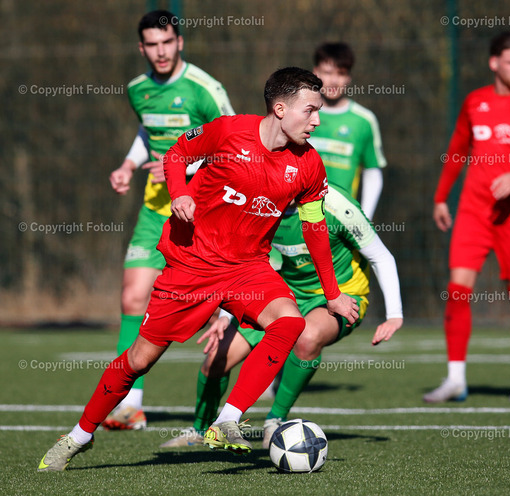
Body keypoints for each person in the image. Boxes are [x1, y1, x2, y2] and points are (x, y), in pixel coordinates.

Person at [37, 67, 360, 472]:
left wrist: (332, 295)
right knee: (139, 360)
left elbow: (314, 228)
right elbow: (176, 154)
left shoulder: (309, 164)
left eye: (319, 111)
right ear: (280, 109)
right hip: (192, 264)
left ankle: (226, 421)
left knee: (290, 323)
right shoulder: (228, 131)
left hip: (248, 267)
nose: (317, 120)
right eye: (310, 110)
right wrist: (179, 194)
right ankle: (79, 435)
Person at [159, 185, 403, 449]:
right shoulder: (254, 204)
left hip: (341, 295)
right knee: (217, 357)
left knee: (308, 336)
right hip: (284, 290)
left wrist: (394, 315)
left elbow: (381, 257)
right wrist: (226, 316)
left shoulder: (335, 205)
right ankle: (200, 430)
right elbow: (239, 264)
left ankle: (275, 420)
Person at [105, 10, 234, 430]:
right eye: (152, 45)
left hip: (202, 212)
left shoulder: (205, 89)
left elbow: (235, 148)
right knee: (132, 298)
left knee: (227, 305)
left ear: (179, 42)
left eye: (167, 42)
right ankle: (130, 406)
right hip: (155, 208)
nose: (160, 52)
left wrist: (183, 166)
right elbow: (148, 132)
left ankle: (254, 385)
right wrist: (129, 164)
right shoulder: (138, 89)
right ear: (141, 48)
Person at [423, 32, 510, 403]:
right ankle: (455, 379)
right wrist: (440, 198)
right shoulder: (475, 101)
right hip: (473, 211)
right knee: (457, 290)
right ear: (493, 63)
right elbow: (456, 151)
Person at [308, 42, 387, 219]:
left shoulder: (364, 120)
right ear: (315, 73)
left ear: (349, 77)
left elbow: (372, 173)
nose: (334, 81)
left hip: (341, 221)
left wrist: (363, 219)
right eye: (327, 73)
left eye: (341, 73)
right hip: (295, 220)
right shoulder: (298, 114)